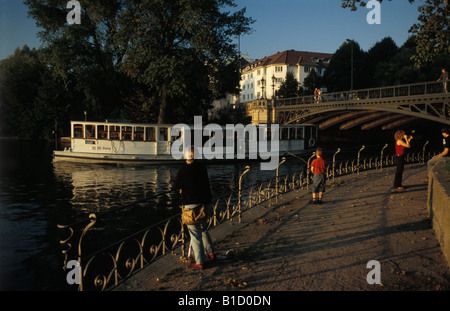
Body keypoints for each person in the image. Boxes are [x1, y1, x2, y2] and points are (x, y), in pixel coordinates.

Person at [174, 146, 215, 269]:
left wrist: (182, 188)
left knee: (194, 234)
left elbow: (175, 184)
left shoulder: (183, 170)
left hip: (190, 205)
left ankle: (200, 261)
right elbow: (206, 185)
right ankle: (210, 251)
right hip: (204, 204)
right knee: (203, 228)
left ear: (186, 156)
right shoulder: (202, 168)